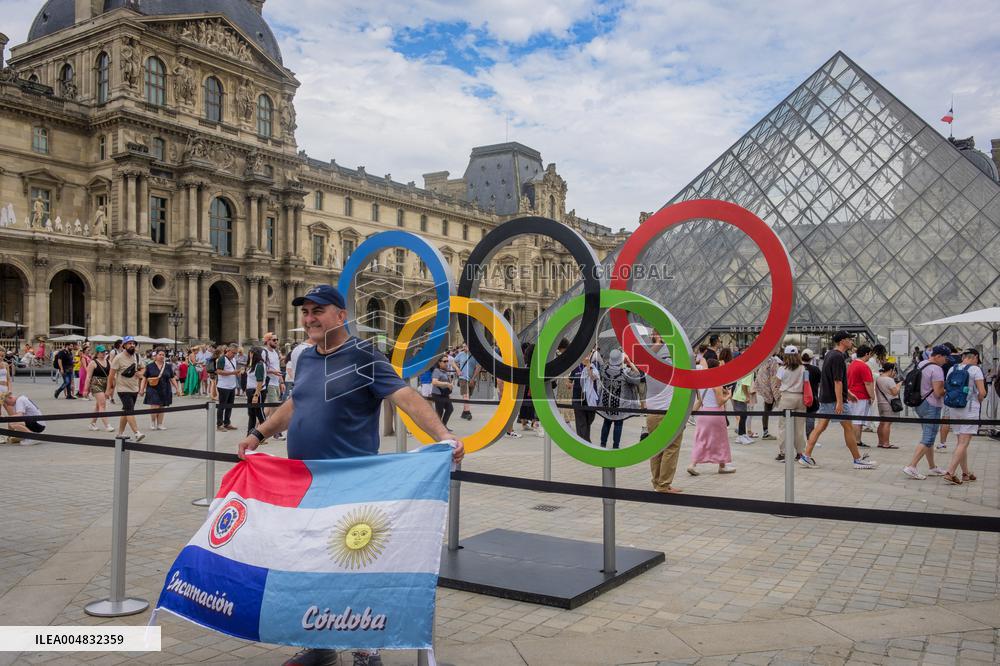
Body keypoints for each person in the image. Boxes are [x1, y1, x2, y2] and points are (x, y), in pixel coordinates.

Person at [236, 284, 464, 666]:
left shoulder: (363, 355)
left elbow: (404, 396)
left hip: (352, 484)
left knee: (353, 566)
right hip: (306, 481)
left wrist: (444, 435)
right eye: (306, 312)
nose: (309, 318)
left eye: (318, 311)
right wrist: (258, 434)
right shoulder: (306, 358)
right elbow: (296, 403)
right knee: (311, 562)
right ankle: (319, 644)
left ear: (341, 316)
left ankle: (365, 647)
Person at [800, 331, 876, 469]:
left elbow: (832, 379)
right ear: (842, 341)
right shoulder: (838, 357)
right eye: (849, 339)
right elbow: (837, 381)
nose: (851, 342)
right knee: (848, 428)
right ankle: (857, 459)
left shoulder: (830, 354)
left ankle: (806, 455)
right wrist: (840, 402)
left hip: (827, 397)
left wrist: (848, 393)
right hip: (835, 400)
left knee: (820, 427)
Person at [902, 345, 949, 480]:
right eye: (945, 358)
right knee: (928, 437)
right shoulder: (937, 369)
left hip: (920, 403)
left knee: (929, 436)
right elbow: (938, 392)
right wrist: (948, 390)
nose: (946, 361)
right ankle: (912, 466)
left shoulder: (921, 364)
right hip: (932, 405)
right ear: (938, 356)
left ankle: (932, 467)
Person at [645, 333, 685, 492]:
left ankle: (657, 482)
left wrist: (658, 342)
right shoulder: (671, 364)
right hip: (669, 412)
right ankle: (664, 484)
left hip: (652, 412)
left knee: (656, 448)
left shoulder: (647, 365)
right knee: (671, 447)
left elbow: (645, 355)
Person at [943, 349, 987, 484]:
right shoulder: (975, 369)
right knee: (964, 442)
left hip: (954, 407)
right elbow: (982, 392)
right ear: (975, 357)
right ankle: (950, 472)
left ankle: (965, 473)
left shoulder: (952, 368)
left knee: (961, 442)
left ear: (963, 357)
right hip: (969, 408)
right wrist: (979, 399)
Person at [687, 358, 735, 474]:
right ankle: (722, 466)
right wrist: (728, 395)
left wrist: (691, 413)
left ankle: (692, 464)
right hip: (716, 414)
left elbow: (700, 401)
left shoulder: (702, 382)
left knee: (701, 439)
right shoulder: (716, 382)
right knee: (720, 440)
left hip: (703, 414)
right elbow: (719, 402)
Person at [597, 348, 642, 449]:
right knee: (618, 423)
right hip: (619, 404)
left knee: (606, 422)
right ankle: (615, 446)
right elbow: (637, 378)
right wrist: (630, 363)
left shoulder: (604, 369)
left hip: (606, 402)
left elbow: (603, 367)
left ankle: (602, 444)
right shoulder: (625, 372)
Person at [107, 336, 144, 441]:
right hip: (123, 389)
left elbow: (143, 368)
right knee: (129, 410)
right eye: (129, 343)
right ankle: (137, 433)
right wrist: (108, 389)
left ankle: (120, 433)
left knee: (126, 411)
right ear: (124, 345)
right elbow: (111, 375)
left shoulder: (137, 356)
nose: (132, 345)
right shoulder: (118, 358)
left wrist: (140, 373)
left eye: (133, 343)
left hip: (134, 388)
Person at [775, 345, 807, 461]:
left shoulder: (782, 369)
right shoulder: (803, 368)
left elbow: (777, 384)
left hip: (787, 397)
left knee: (783, 426)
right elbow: (806, 382)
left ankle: (783, 452)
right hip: (800, 397)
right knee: (799, 428)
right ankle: (800, 452)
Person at [140, 350, 179, 431]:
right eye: (160, 354)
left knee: (161, 406)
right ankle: (152, 422)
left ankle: (160, 424)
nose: (162, 356)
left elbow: (172, 378)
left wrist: (177, 388)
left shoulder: (168, 366)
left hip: (165, 388)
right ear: (156, 356)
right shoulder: (150, 366)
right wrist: (142, 389)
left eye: (163, 355)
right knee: (155, 406)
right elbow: (144, 378)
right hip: (152, 388)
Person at [846, 345, 875, 448]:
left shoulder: (852, 364)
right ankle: (856, 441)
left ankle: (853, 440)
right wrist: (872, 396)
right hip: (861, 396)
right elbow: (868, 383)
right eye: (870, 354)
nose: (870, 357)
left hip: (851, 394)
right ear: (867, 354)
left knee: (854, 419)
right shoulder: (863, 366)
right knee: (858, 420)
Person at [83, 346, 115, 431]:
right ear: (97, 353)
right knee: (102, 404)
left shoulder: (108, 362)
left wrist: (111, 387)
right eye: (101, 352)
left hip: (105, 385)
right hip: (96, 385)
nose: (103, 353)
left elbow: (111, 376)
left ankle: (92, 424)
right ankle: (107, 425)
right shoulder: (93, 363)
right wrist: (85, 389)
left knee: (98, 405)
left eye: (104, 352)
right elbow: (88, 377)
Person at [571, 351, 599, 442]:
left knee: (588, 421)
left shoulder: (594, 366)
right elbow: (569, 380)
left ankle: (585, 441)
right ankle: (584, 442)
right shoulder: (575, 366)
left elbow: (593, 377)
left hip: (590, 400)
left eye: (588, 353)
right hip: (577, 398)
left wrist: (588, 365)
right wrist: (569, 384)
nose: (585, 356)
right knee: (581, 423)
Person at [262, 333, 286, 439]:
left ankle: (256, 428)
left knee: (267, 410)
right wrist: (273, 372)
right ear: (267, 341)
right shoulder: (264, 352)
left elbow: (278, 369)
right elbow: (262, 368)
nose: (276, 341)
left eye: (277, 339)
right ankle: (275, 433)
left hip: (276, 383)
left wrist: (281, 382)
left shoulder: (275, 353)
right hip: (270, 383)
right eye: (274, 340)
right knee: (274, 409)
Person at [753, 349, 780, 439]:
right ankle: (765, 433)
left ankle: (765, 432)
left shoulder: (763, 359)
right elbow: (774, 377)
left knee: (766, 409)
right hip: (769, 388)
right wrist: (775, 393)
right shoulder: (773, 361)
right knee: (767, 409)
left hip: (763, 386)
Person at [874, 363, 901, 449]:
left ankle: (880, 442)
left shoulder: (878, 379)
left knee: (882, 423)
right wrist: (898, 385)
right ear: (891, 370)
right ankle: (886, 443)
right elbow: (894, 392)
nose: (895, 373)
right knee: (887, 423)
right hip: (889, 404)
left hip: (881, 403)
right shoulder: (889, 380)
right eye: (894, 371)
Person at [245, 347, 268, 436]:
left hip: (257, 391)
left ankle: (264, 434)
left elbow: (260, 381)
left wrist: (256, 395)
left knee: (260, 414)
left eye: (251, 353)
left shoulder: (259, 365)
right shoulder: (253, 364)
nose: (249, 355)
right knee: (251, 414)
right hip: (251, 391)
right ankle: (250, 433)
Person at [215, 345, 239, 432]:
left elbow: (232, 371)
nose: (234, 355)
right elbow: (218, 371)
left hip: (232, 386)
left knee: (230, 406)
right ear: (228, 350)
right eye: (233, 353)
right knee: (222, 406)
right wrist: (232, 373)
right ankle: (219, 424)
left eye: (235, 353)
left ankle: (227, 423)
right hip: (223, 386)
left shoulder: (233, 359)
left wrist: (237, 373)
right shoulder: (222, 359)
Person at [800, 349, 821, 438]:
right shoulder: (816, 369)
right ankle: (810, 439)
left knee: (798, 419)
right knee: (810, 418)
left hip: (799, 396)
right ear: (812, 358)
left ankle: (798, 439)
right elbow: (819, 383)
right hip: (812, 397)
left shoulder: (798, 368)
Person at [430, 354, 455, 426]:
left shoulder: (444, 371)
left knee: (450, 409)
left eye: (447, 361)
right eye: (444, 361)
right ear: (439, 363)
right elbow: (434, 382)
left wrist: (449, 392)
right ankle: (437, 428)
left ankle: (443, 426)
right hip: (438, 394)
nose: (446, 363)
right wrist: (447, 384)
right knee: (439, 413)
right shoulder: (436, 371)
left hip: (445, 395)